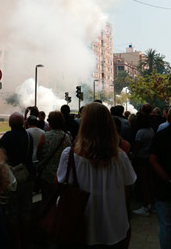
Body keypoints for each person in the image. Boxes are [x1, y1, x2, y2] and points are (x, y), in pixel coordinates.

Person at [57, 103, 136, 248]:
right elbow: (127, 190)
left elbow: (62, 185)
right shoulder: (121, 157)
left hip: (81, 227)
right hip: (115, 228)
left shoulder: (70, 155)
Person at [0, 112, 34, 249]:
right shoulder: (28, 136)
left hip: (13, 177)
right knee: (26, 210)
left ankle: (16, 242)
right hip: (28, 175)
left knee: (12, 212)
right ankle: (27, 240)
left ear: (10, 124)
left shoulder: (7, 136)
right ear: (23, 123)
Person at [37, 111, 71, 202]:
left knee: (46, 200)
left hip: (46, 175)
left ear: (50, 122)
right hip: (62, 175)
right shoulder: (67, 137)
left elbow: (38, 154)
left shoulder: (45, 136)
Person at [150, 123, 171, 249]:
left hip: (164, 188)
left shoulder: (160, 136)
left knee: (166, 225)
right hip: (164, 187)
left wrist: (167, 179)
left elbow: (152, 159)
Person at [133, 111, 155, 216]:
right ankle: (151, 204)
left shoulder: (140, 132)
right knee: (150, 182)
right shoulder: (151, 131)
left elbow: (137, 147)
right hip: (149, 158)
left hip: (141, 159)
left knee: (144, 183)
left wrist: (134, 156)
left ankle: (145, 206)